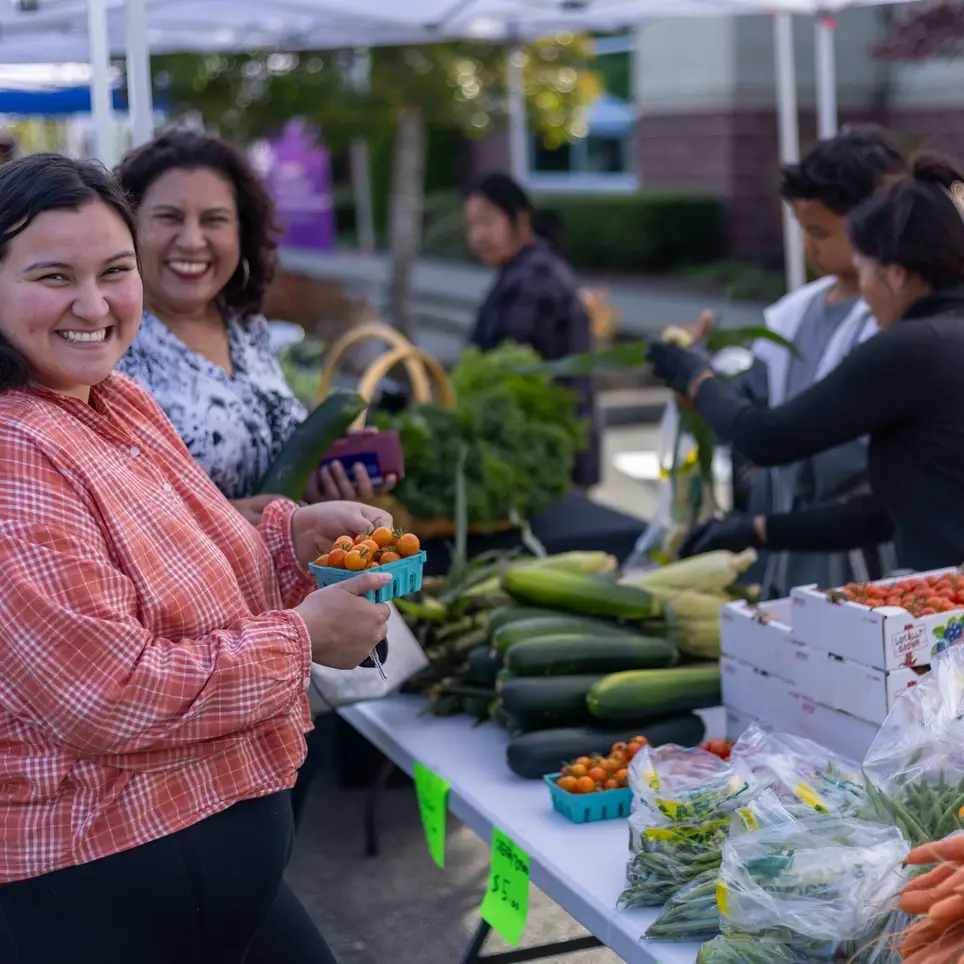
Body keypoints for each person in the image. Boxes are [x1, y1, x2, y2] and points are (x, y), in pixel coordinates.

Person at [0, 152, 394, 963]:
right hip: (99, 886)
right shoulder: (15, 456)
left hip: (203, 856)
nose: (92, 303)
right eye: (52, 276)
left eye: (115, 270)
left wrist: (289, 540)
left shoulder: (115, 397)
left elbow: (188, 566)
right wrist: (303, 639)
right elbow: (105, 695)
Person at [647, 152, 964, 574]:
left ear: (899, 274)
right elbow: (891, 512)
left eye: (864, 271)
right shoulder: (944, 339)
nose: (863, 292)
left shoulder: (914, 348)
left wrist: (694, 374)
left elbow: (768, 439)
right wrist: (758, 529)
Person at [114, 130, 395, 527]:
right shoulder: (110, 347)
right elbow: (101, 512)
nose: (193, 240)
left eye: (214, 220)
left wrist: (320, 487)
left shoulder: (247, 331)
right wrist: (222, 519)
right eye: (169, 217)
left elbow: (276, 479)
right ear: (126, 226)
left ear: (242, 234)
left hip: (280, 580)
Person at [678, 126, 907, 596]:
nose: (808, 248)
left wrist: (711, 391)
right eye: (803, 231)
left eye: (820, 232)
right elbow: (753, 395)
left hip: (864, 552)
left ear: (872, 220)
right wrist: (705, 384)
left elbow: (821, 444)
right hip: (789, 543)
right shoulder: (795, 312)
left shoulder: (892, 320)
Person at [464, 172, 601, 489]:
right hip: (551, 455)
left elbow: (502, 368)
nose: (477, 236)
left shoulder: (533, 280)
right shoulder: (525, 269)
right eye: (471, 226)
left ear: (521, 219)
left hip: (547, 461)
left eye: (486, 222)